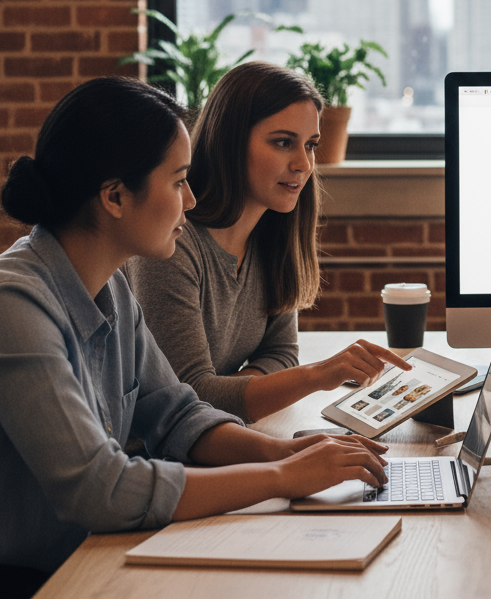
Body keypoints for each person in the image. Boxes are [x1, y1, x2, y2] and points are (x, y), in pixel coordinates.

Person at [0, 77, 389, 592]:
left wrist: (284, 453)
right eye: (178, 181)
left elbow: (180, 414)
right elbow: (100, 489)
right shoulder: (15, 305)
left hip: (98, 553)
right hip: (35, 580)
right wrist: (281, 478)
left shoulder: (111, 287)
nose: (190, 200)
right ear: (115, 196)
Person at [125, 62, 410, 423]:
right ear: (230, 141)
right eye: (283, 143)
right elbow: (190, 399)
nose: (304, 164)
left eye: (310, 146)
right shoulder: (172, 243)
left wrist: (231, 390)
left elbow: (281, 353)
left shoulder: (271, 239)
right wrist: (319, 374)